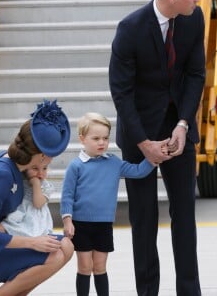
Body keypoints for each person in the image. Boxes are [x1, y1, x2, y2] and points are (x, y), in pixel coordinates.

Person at [109, 0, 205, 295]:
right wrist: (143, 143)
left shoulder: (195, 17)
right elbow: (121, 92)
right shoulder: (130, 29)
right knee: (144, 217)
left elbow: (195, 75)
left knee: (185, 216)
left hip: (178, 129)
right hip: (140, 133)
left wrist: (183, 124)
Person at [0, 100, 74, 295]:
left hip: (1, 243)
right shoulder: (1, 174)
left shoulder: (19, 165)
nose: (51, 160)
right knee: (53, 255)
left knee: (66, 247)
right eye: (51, 155)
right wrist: (33, 242)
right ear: (41, 155)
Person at [60, 112, 157, 296]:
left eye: (105, 138)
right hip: (81, 224)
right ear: (82, 139)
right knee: (85, 266)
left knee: (100, 266)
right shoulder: (76, 166)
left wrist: (152, 159)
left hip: (104, 225)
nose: (101, 142)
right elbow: (67, 196)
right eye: (96, 138)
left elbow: (137, 171)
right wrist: (67, 220)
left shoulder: (113, 162)